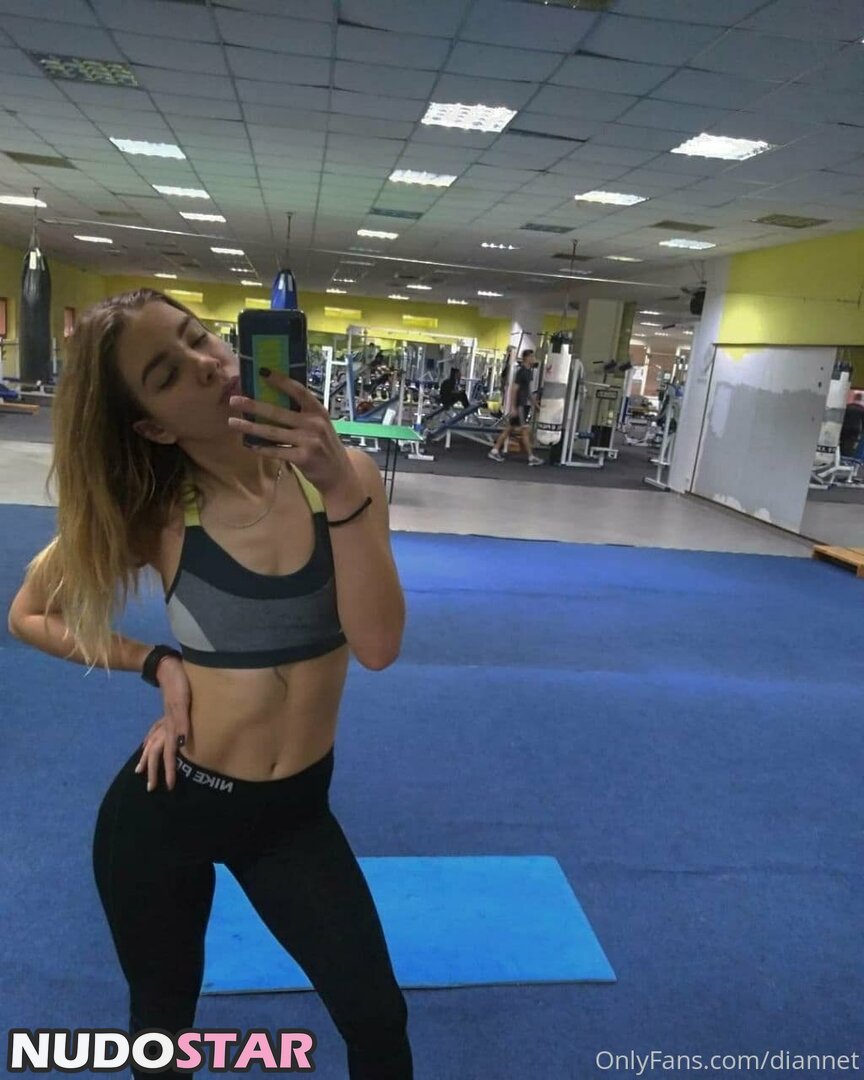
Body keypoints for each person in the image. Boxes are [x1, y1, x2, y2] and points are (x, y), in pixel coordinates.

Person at [6, 289, 413, 1079]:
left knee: (376, 1019)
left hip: (293, 817)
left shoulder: (349, 477)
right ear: (154, 428)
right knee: (163, 1030)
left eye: (200, 338)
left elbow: (378, 645)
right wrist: (156, 663)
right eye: (167, 374)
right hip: (168, 807)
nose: (206, 365)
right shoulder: (155, 513)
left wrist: (338, 487)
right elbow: (29, 614)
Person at [488, 348, 543, 466]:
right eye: (532, 357)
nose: (534, 359)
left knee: (509, 429)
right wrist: (513, 407)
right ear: (526, 358)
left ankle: (494, 451)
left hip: (522, 405)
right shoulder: (521, 372)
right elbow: (514, 389)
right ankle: (531, 457)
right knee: (524, 430)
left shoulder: (528, 372)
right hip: (519, 406)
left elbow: (528, 392)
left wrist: (536, 405)